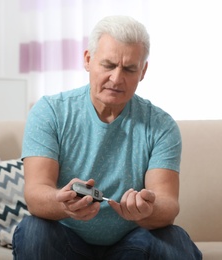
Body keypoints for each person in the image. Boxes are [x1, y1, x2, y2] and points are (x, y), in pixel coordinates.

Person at [12, 15, 202, 260]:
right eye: (109, 65)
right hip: (67, 240)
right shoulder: (50, 112)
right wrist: (63, 203)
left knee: (174, 239)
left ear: (143, 71)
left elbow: (168, 205)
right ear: (88, 60)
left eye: (129, 68)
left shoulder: (161, 125)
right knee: (33, 232)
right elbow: (36, 193)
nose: (116, 79)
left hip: (131, 244)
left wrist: (146, 208)